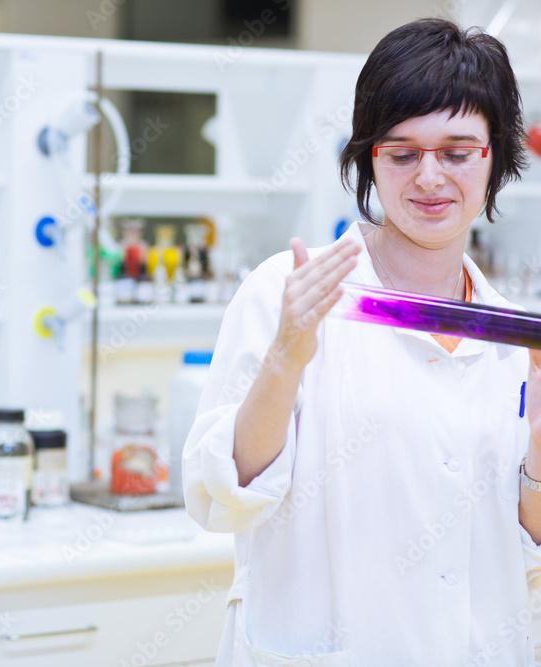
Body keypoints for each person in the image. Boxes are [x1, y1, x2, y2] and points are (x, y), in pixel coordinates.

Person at [182, 18, 541, 666]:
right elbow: (224, 497)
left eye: (457, 152)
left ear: (495, 158)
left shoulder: (515, 335)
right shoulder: (287, 293)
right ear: (369, 158)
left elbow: (525, 544)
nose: (429, 177)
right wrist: (286, 357)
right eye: (402, 153)